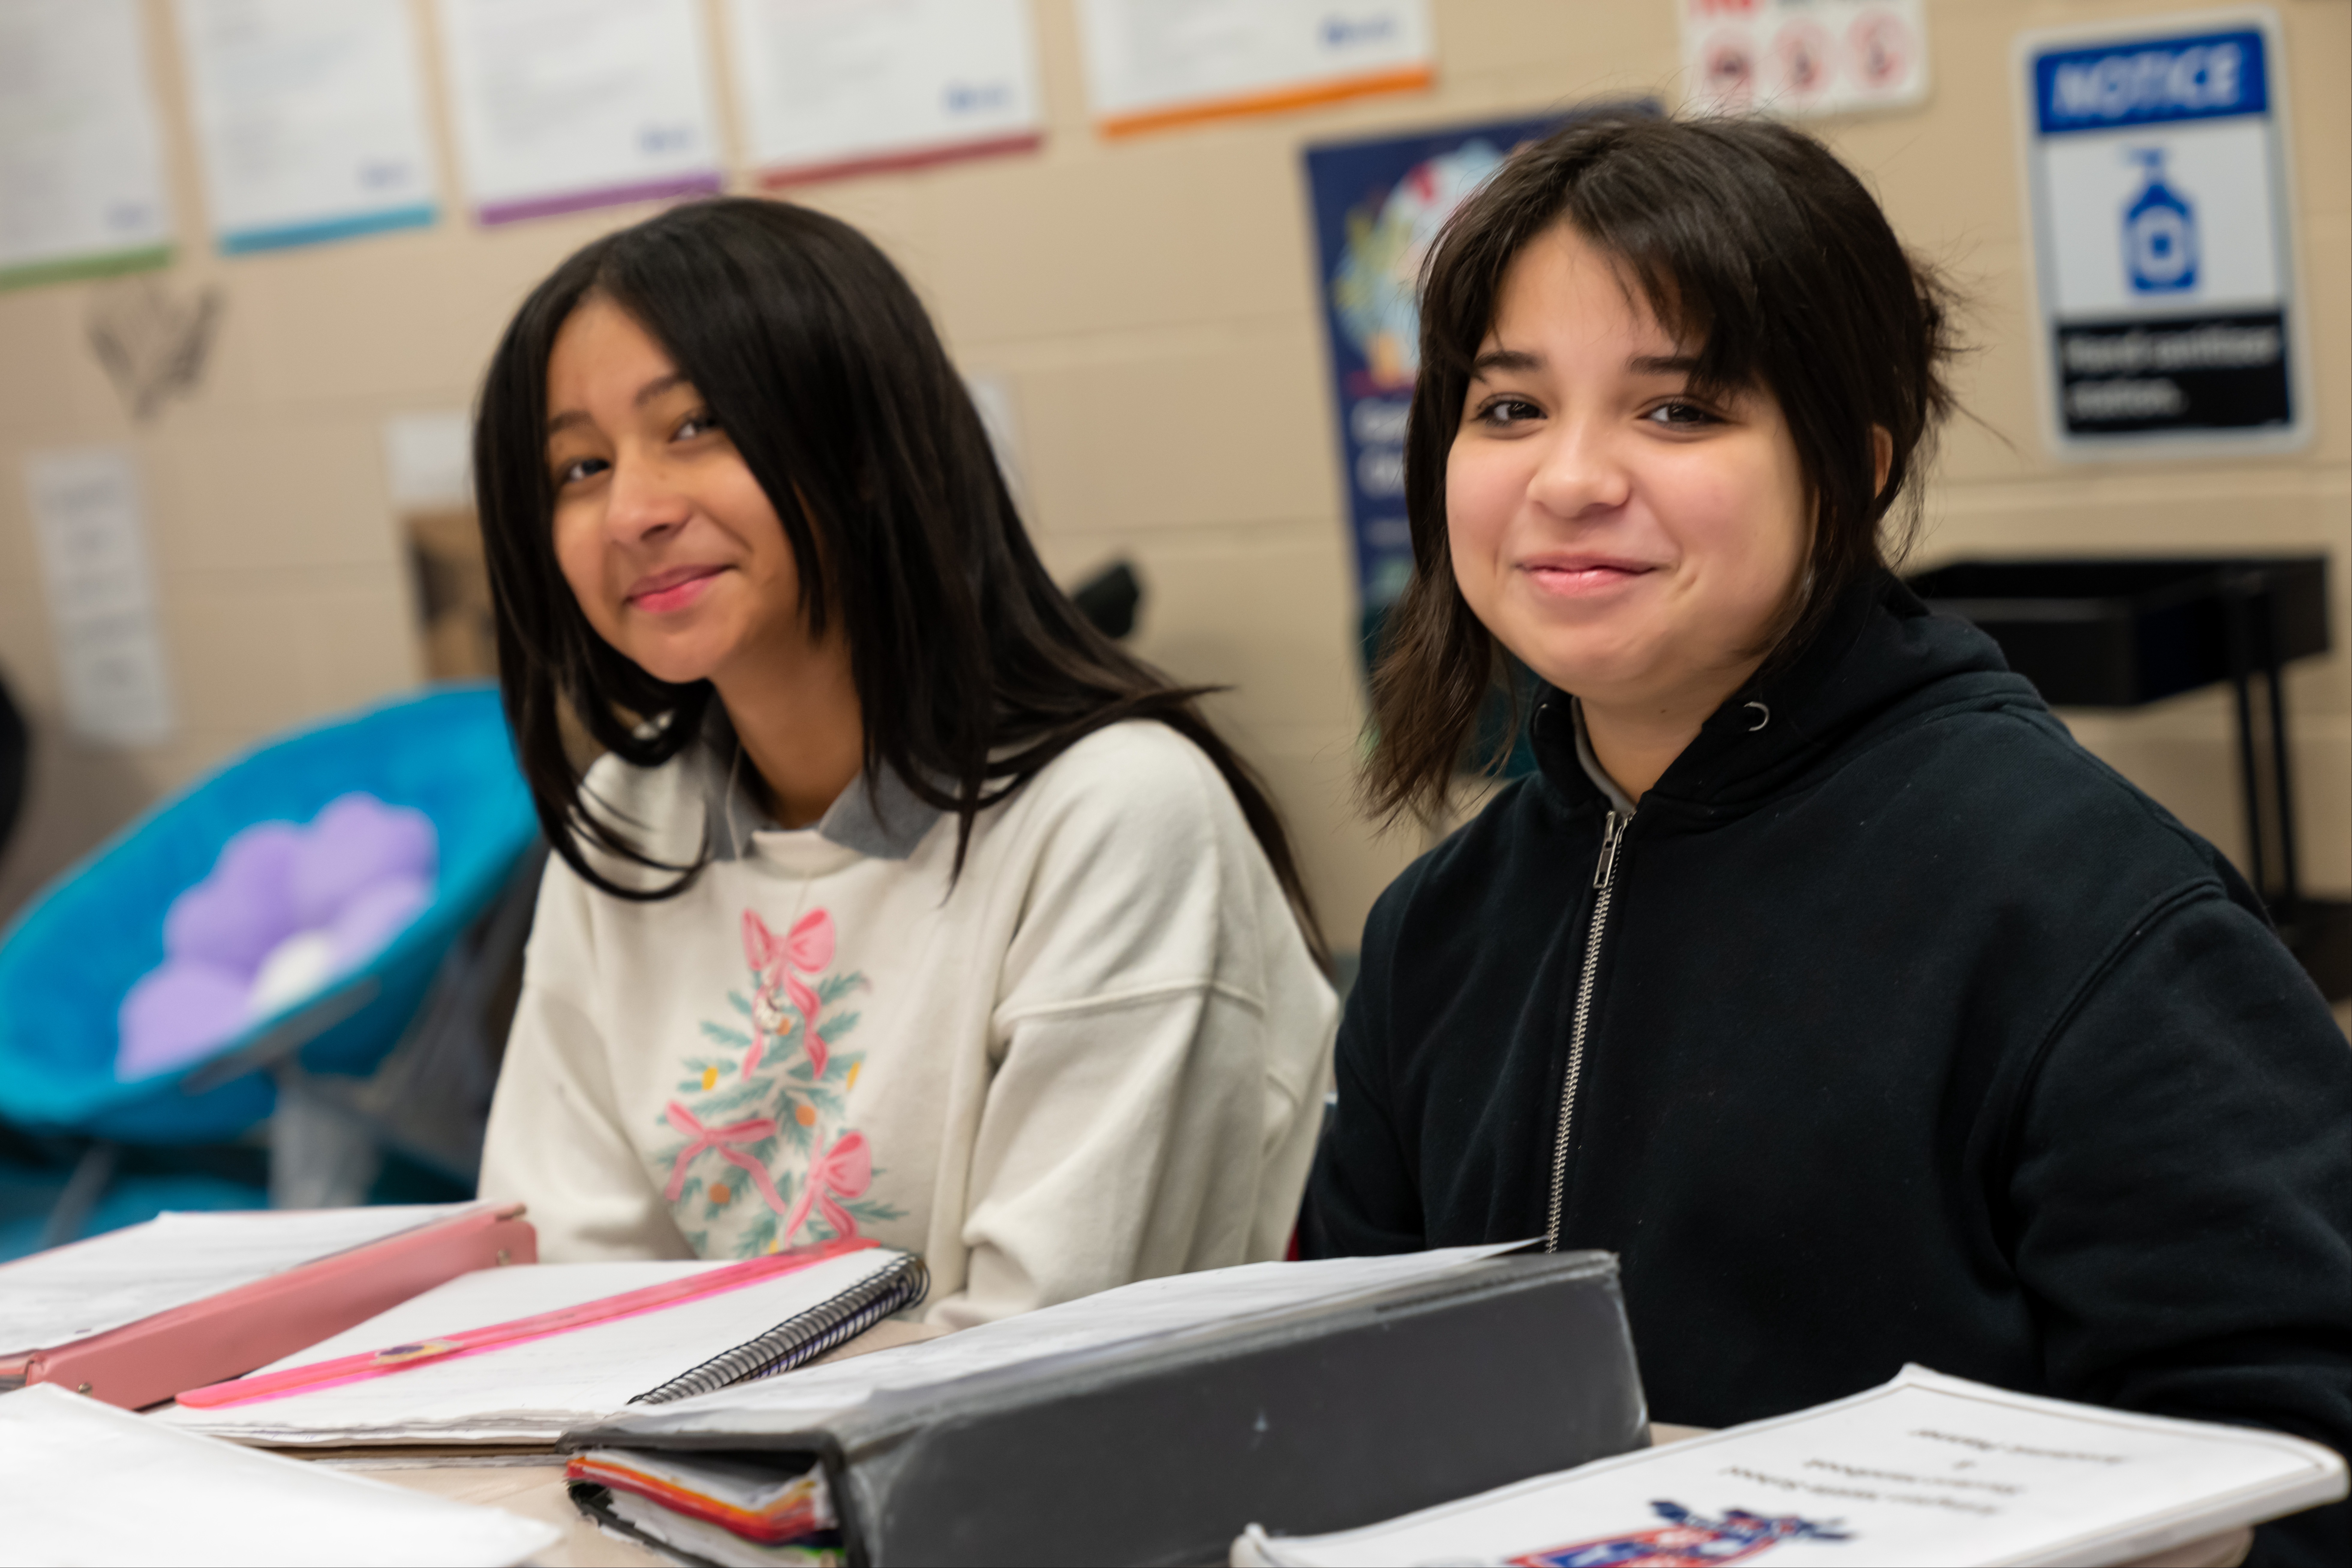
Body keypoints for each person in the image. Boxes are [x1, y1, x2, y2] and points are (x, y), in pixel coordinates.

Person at [1300, 114, 2350, 1563]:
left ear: (1848, 468)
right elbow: (1340, 1416)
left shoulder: (2081, 909)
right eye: (1508, 409)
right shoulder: (1433, 930)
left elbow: (2302, 1467)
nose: (1568, 479)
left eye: (1675, 412)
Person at [472, 198, 1335, 1329]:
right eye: (579, 467)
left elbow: (1041, 1360)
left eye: (693, 428)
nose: (630, 509)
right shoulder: (629, 815)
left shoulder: (1117, 814)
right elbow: (558, 1319)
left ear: (868, 454)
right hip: (677, 1495)